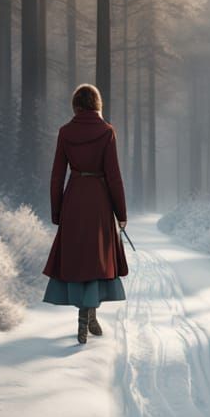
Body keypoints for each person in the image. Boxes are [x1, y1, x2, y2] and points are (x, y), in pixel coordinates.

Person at [42, 84, 129, 343]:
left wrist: (57, 211)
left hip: (74, 200)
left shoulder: (65, 132)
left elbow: (57, 175)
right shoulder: (106, 132)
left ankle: (85, 318)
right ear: (97, 104)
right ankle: (88, 317)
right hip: (99, 201)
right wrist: (121, 213)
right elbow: (114, 177)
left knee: (79, 259)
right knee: (96, 259)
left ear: (76, 105)